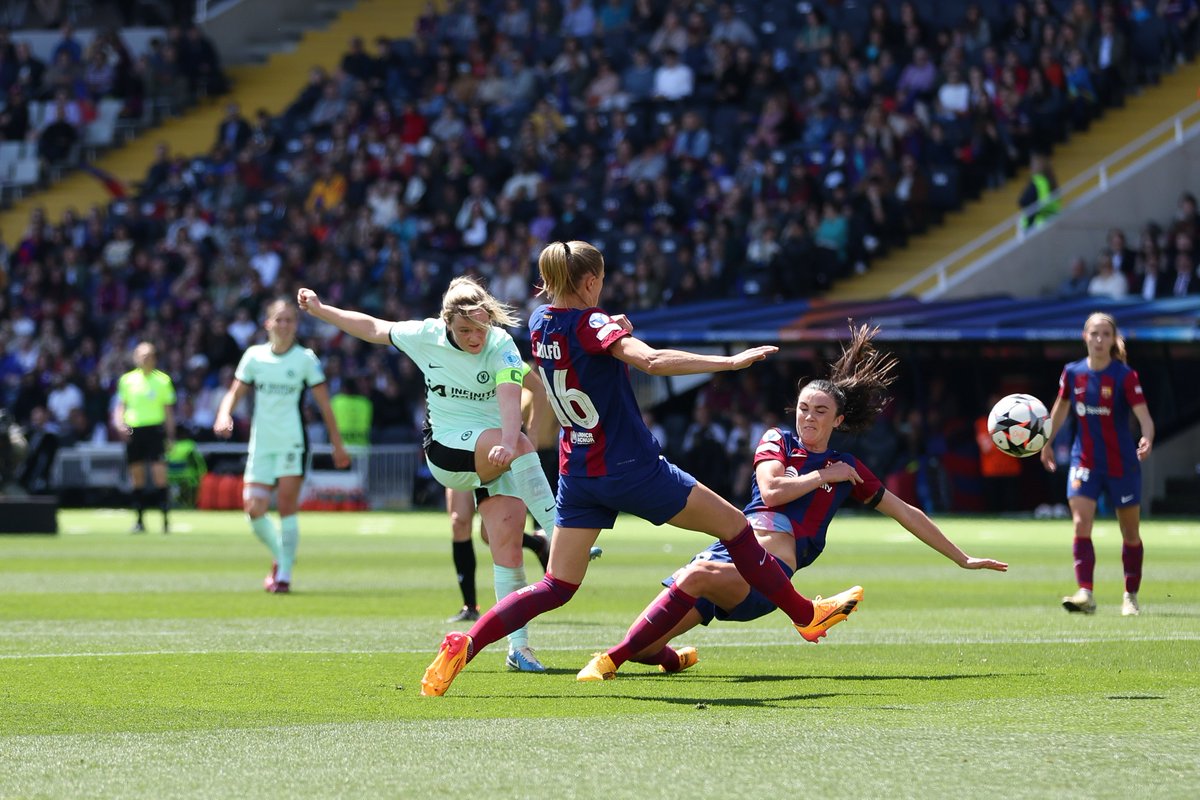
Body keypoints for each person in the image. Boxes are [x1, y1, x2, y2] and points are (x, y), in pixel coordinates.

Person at [420, 240, 860, 697]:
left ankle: (465, 644)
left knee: (556, 584)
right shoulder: (593, 321)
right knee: (735, 526)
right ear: (591, 281)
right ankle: (806, 616)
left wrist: (612, 331)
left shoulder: (539, 322)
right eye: (601, 280)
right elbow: (648, 360)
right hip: (632, 468)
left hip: (579, 473)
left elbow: (586, 352)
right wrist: (727, 361)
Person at [584, 325, 1009, 679]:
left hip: (766, 575)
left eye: (820, 411)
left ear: (838, 420)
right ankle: (673, 657)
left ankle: (606, 661)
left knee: (694, 577)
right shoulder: (778, 441)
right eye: (804, 408)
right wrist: (823, 475)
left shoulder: (848, 466)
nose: (808, 417)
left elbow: (905, 512)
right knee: (647, 645)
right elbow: (771, 492)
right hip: (728, 552)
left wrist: (962, 558)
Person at [298, 277, 562, 672]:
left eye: (480, 327)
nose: (474, 337)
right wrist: (322, 310)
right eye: (465, 330)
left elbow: (513, 398)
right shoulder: (426, 335)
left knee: (506, 547)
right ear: (447, 324)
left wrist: (510, 441)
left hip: (494, 451)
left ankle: (519, 648)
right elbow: (372, 327)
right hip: (446, 449)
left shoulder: (501, 344)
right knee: (516, 454)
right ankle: (560, 531)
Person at [446, 364, 602, 624]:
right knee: (458, 521)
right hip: (455, 443)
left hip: (494, 448)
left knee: (490, 534)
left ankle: (550, 546)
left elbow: (537, 392)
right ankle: (470, 605)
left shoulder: (501, 354)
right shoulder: (442, 350)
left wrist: (530, 434)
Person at [213, 299, 350, 593]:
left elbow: (325, 405)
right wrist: (224, 415)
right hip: (261, 443)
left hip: (292, 443)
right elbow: (234, 393)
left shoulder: (305, 359)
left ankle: (284, 575)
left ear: (296, 326)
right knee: (253, 509)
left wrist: (337, 445)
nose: (284, 325)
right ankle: (282, 555)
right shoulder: (253, 357)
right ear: (267, 324)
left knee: (286, 508)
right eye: (279, 319)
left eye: (289, 320)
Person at [1040, 312, 1155, 617]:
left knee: (1130, 533)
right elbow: (1061, 409)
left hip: (1122, 464)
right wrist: (1047, 441)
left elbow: (1144, 417)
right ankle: (1085, 593)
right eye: (1094, 333)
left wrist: (1147, 437)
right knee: (1080, 523)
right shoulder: (1073, 373)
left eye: (1105, 334)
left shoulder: (1124, 376)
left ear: (1112, 339)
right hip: (1085, 460)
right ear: (1085, 337)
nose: (1100, 340)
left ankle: (1130, 596)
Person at [113, 342, 177, 534]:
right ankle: (139, 521)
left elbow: (168, 411)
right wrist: (119, 423)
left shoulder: (163, 380)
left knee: (159, 476)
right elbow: (121, 406)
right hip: (135, 430)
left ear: (155, 358)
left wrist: (170, 436)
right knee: (137, 477)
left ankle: (165, 520)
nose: (145, 358)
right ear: (135, 357)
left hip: (155, 430)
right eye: (141, 355)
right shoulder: (127, 380)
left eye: (148, 355)